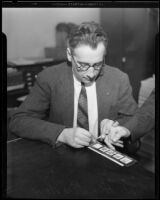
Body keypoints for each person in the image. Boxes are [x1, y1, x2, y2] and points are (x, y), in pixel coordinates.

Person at [9, 21, 138, 150]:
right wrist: (61, 134)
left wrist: (117, 126)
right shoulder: (49, 78)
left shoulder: (119, 78)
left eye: (98, 64)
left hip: (104, 153)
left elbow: (133, 119)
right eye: (83, 65)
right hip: (63, 156)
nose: (91, 73)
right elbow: (19, 120)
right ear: (69, 55)